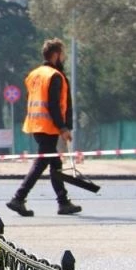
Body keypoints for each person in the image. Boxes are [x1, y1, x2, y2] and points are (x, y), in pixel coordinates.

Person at [7, 38, 82, 217]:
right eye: (62, 54)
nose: (63, 58)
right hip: (48, 125)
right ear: (56, 54)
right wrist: (63, 127)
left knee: (54, 163)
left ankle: (63, 202)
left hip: (36, 124)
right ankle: (18, 198)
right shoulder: (54, 76)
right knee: (42, 162)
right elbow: (54, 104)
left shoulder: (35, 74)